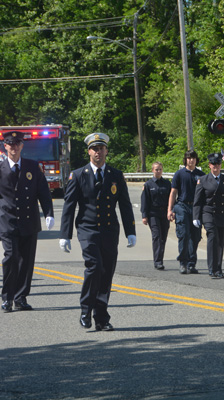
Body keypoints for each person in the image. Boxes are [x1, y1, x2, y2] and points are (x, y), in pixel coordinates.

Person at [59, 132, 136, 331]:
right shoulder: (78, 175)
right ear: (88, 152)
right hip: (88, 229)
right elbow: (69, 206)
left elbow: (125, 205)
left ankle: (101, 317)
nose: (98, 153)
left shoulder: (115, 175)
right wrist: (64, 235)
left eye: (101, 149)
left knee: (107, 272)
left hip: (110, 231)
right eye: (94, 149)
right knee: (94, 267)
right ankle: (85, 309)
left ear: (106, 151)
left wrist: (131, 231)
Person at [0, 131, 54, 313]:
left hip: (29, 221)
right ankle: (7, 298)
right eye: (10, 143)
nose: (13, 147)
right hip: (7, 221)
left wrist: (49, 213)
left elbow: (43, 193)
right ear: (4, 146)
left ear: (22, 146)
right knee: (11, 257)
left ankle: (20, 297)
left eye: (17, 143)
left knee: (26, 261)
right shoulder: (0, 169)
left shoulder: (32, 166)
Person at [168, 150, 205, 274]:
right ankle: (183, 262)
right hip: (182, 206)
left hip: (196, 208)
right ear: (185, 160)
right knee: (184, 235)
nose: (191, 160)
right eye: (189, 158)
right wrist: (170, 210)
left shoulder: (201, 175)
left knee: (195, 237)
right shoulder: (179, 174)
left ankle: (191, 263)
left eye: (193, 158)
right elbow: (173, 193)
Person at [193, 153, 224, 279]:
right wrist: (196, 217)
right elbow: (198, 200)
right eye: (213, 164)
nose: (216, 167)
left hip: (223, 214)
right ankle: (212, 268)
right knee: (212, 238)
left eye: (218, 164)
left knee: (221, 242)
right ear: (209, 165)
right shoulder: (203, 180)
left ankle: (218, 268)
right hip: (209, 213)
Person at [141, 161, 171, 270]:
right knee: (157, 236)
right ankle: (157, 261)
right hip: (153, 214)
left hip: (164, 214)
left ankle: (160, 259)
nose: (158, 171)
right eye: (156, 169)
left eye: (160, 169)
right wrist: (144, 216)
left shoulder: (167, 184)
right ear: (152, 170)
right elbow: (145, 201)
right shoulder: (148, 185)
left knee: (163, 237)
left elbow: (171, 199)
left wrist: (171, 211)